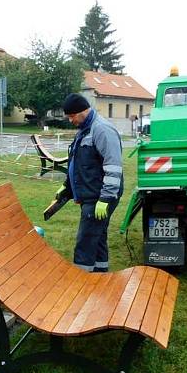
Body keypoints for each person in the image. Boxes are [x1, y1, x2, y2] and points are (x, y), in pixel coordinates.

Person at [54, 93, 123, 272]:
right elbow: (77, 162)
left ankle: (80, 282)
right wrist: (67, 186)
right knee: (97, 236)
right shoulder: (85, 129)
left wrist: (106, 198)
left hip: (99, 196)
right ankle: (100, 275)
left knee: (85, 241)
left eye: (72, 116)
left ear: (83, 111)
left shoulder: (101, 130)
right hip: (91, 194)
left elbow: (113, 167)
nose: (70, 120)